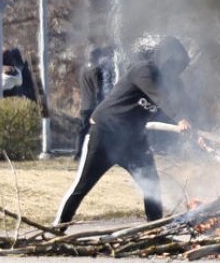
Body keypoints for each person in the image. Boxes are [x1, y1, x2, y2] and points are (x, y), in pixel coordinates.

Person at [55, 37, 193, 225]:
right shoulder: (143, 70)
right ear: (164, 59)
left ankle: (155, 229)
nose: (175, 71)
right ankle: (59, 226)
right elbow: (161, 99)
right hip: (105, 133)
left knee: (151, 184)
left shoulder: (173, 84)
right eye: (172, 65)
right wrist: (180, 118)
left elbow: (183, 105)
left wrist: (195, 130)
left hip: (133, 140)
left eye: (179, 67)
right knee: (83, 186)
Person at [75, 46, 110, 161]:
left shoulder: (83, 70)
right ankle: (99, 153)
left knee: (83, 131)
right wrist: (102, 104)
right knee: (100, 130)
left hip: (85, 105)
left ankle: (78, 153)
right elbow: (98, 90)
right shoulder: (97, 70)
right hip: (94, 106)